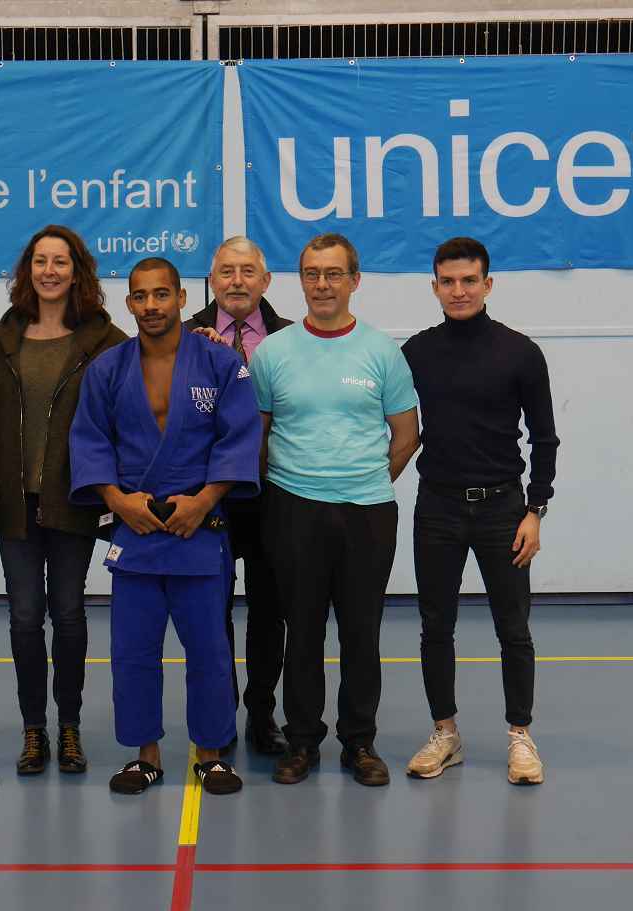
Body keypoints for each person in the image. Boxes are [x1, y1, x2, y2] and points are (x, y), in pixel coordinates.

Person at [69, 257, 262, 797]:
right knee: (133, 651)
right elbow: (89, 440)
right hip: (136, 531)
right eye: (140, 296)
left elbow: (240, 436)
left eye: (161, 294)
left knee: (209, 651)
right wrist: (116, 501)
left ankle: (211, 754)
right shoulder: (108, 369)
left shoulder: (220, 363)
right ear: (129, 303)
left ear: (181, 297)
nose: (151, 305)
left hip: (198, 529)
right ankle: (145, 755)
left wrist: (204, 501)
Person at [251, 232, 420, 787]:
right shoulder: (273, 352)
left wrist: (364, 479)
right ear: (301, 280)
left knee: (360, 633)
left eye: (333, 274)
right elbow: (259, 434)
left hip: (367, 513)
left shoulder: (382, 352)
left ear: (354, 280)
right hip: (292, 509)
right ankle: (302, 741)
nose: (322, 284)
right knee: (301, 632)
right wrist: (297, 485)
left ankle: (359, 742)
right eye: (312, 273)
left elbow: (406, 434)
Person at [400, 236, 559, 786]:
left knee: (513, 628)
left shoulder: (520, 352)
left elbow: (544, 438)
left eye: (469, 280)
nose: (459, 290)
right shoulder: (415, 353)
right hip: (437, 508)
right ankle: (445, 733)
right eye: (448, 281)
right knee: (435, 626)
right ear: (435, 287)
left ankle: (520, 736)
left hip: (503, 511)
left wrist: (535, 509)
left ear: (487, 285)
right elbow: (391, 421)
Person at [0, 225, 126, 776]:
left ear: (77, 271)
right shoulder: (1, 339)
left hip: (74, 500)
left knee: (68, 613)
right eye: (40, 261)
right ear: (27, 270)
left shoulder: (105, 340)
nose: (49, 271)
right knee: (24, 616)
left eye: (60, 262)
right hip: (15, 504)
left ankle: (69, 727)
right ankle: (33, 729)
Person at [184, 236, 292, 755]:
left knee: (270, 611)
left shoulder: (292, 338)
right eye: (226, 271)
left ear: (265, 281)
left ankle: (263, 713)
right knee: (212, 611)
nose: (237, 281)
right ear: (212, 280)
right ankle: (218, 712)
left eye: (248, 271)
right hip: (210, 498)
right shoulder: (183, 336)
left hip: (274, 495)